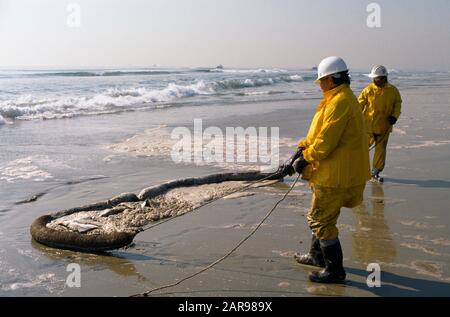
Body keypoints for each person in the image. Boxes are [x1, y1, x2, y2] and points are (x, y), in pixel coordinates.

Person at [281, 56, 370, 283]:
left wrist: (306, 158)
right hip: (339, 171)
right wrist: (302, 148)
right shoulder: (338, 98)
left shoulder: (340, 102)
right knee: (320, 215)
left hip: (336, 175)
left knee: (321, 220)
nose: (319, 84)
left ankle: (334, 270)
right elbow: (319, 133)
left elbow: (325, 143)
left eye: (321, 80)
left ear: (330, 80)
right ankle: (315, 255)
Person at [358, 65, 402, 181]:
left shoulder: (393, 91)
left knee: (381, 149)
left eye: (378, 78)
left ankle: (376, 171)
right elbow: (359, 105)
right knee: (361, 147)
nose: (376, 80)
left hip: (385, 126)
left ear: (384, 78)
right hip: (368, 126)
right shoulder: (368, 90)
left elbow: (398, 103)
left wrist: (394, 116)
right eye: (375, 78)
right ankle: (356, 168)